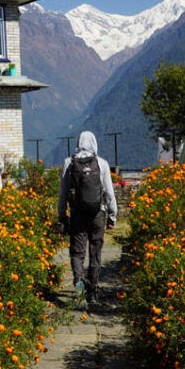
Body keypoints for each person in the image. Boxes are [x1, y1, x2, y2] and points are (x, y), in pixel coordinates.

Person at [57, 130, 118, 306]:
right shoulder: (102, 163)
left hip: (77, 214)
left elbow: (62, 193)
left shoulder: (69, 163)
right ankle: (92, 292)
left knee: (77, 252)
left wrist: (62, 215)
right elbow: (109, 192)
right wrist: (112, 216)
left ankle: (79, 285)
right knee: (95, 252)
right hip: (98, 213)